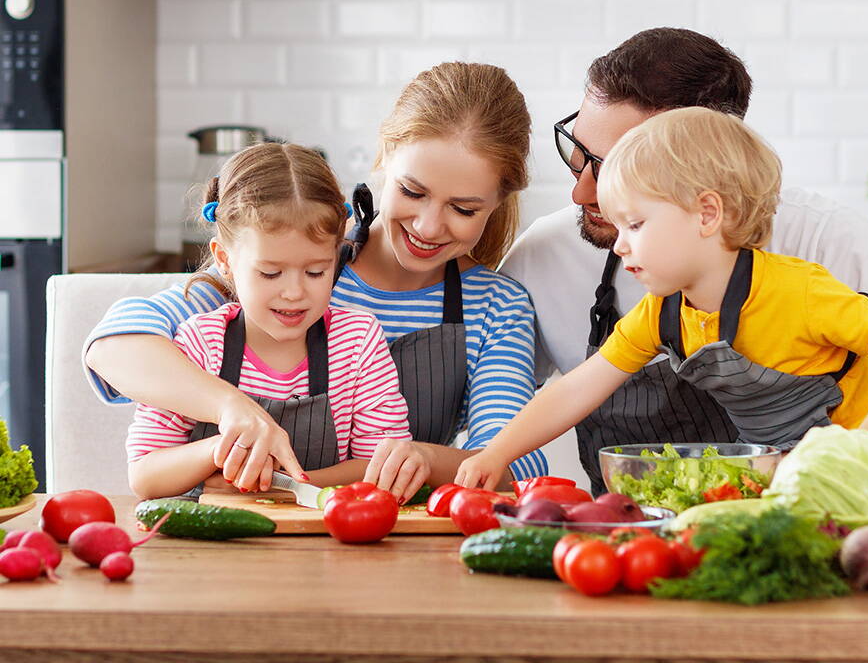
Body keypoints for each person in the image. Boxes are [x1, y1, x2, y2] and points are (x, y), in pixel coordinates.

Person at [498, 28, 868, 517]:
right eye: (578, 152)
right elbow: (504, 406)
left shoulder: (814, 242)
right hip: (647, 545)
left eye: (616, 170)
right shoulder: (548, 253)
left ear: (709, 193)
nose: (581, 193)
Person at [85, 62, 546, 502]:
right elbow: (113, 347)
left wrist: (419, 457)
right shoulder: (298, 259)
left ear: (498, 201)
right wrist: (234, 409)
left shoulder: (495, 305)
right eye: (412, 191)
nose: (427, 226)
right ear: (382, 158)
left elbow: (513, 466)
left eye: (464, 209)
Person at [457, 108, 868, 489]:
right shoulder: (661, 311)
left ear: (707, 214)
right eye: (619, 228)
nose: (620, 245)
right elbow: (578, 388)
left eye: (636, 225)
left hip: (864, 458)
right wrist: (497, 453)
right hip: (780, 467)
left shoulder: (798, 290)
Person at [127, 143, 412, 498]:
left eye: (315, 271)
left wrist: (270, 486)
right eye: (270, 273)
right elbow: (145, 476)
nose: (294, 292)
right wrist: (216, 451)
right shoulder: (201, 343)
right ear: (225, 260)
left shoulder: (356, 343)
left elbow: (381, 465)